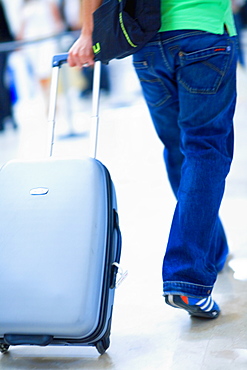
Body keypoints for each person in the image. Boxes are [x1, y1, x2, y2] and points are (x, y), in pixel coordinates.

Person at [68, 0, 238, 319]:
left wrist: (88, 33)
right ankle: (188, 279)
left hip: (147, 43)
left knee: (179, 150)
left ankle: (211, 250)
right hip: (204, 34)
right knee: (205, 150)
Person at [0, 0, 17, 132]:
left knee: (1, 82)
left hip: (3, 45)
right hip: (5, 43)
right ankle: (8, 116)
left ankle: (7, 116)